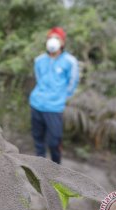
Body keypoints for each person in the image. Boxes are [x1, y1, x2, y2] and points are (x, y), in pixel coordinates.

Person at [29, 27, 79, 164]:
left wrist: (60, 97)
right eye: (50, 38)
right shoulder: (39, 60)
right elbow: (38, 78)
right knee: (38, 139)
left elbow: (72, 82)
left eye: (56, 38)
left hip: (54, 108)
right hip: (36, 103)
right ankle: (40, 167)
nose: (53, 41)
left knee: (54, 141)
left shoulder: (70, 61)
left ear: (62, 42)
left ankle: (56, 169)